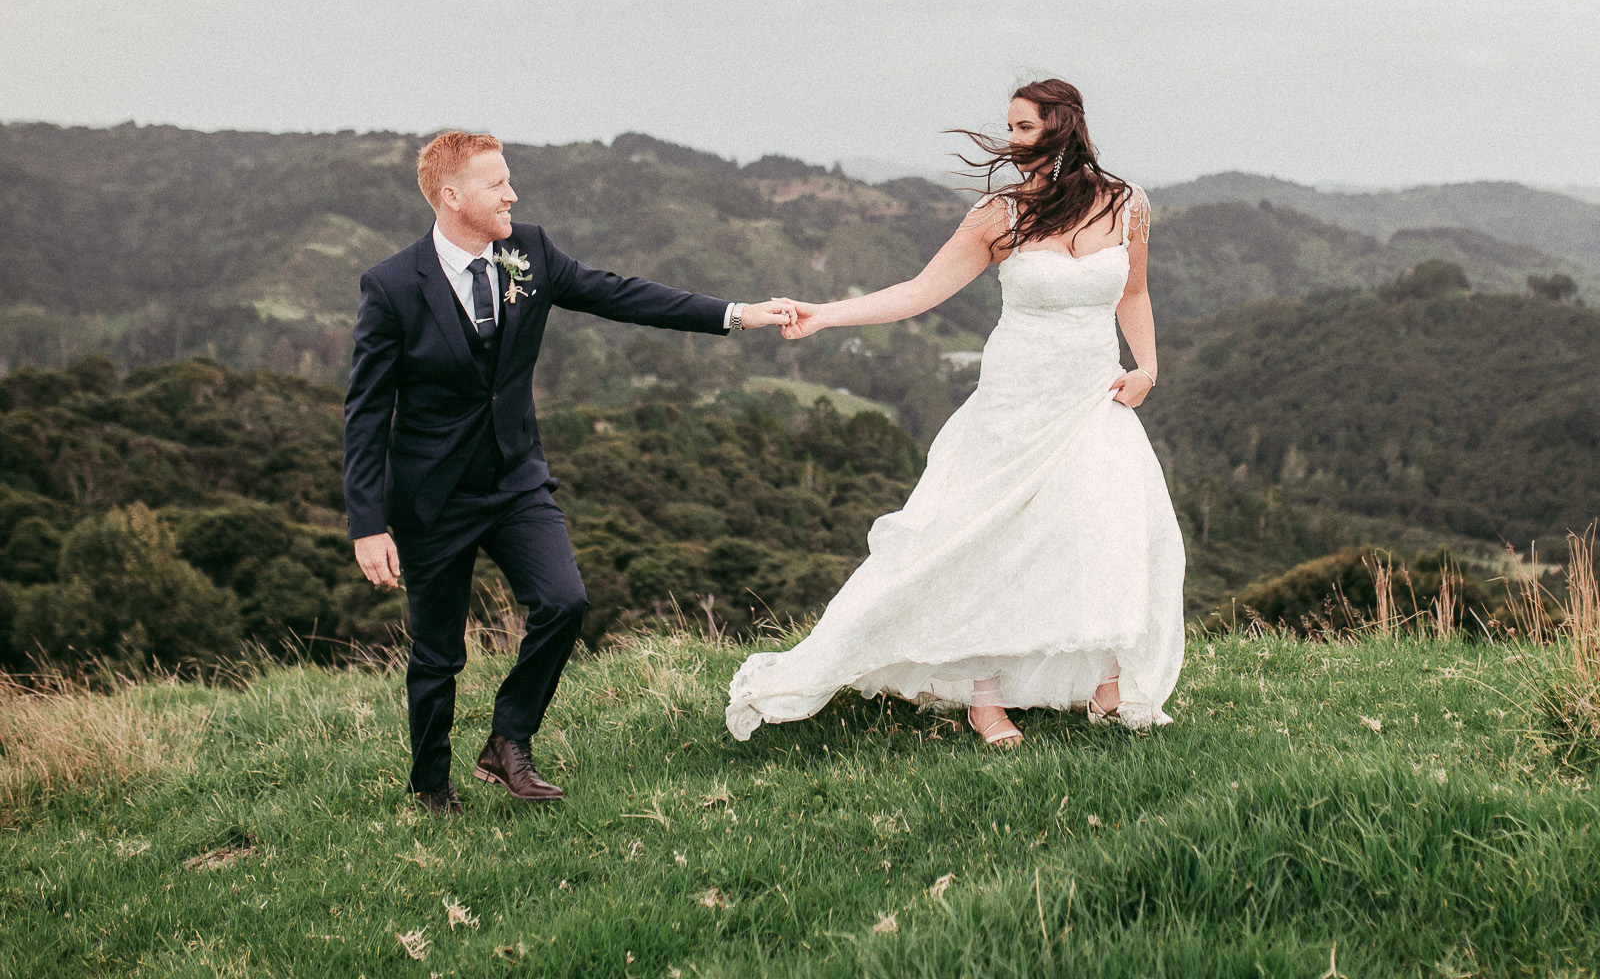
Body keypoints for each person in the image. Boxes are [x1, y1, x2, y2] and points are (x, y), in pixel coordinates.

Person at [344, 130, 795, 815]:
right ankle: (431, 788)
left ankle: (509, 739)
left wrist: (737, 315)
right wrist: (368, 523)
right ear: (452, 196)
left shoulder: (529, 250)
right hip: (432, 497)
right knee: (437, 655)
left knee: (564, 602)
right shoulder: (390, 287)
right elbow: (367, 412)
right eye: (498, 184)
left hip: (516, 480)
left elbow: (620, 294)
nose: (512, 194)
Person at [726, 79, 1186, 748]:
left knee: (1109, 524)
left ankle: (1109, 682)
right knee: (986, 541)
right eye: (1011, 127)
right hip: (1014, 401)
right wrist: (824, 315)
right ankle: (984, 696)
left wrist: (1147, 367)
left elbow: (1134, 291)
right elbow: (918, 292)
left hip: (1093, 396)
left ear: (1063, 126)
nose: (1011, 139)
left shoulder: (1127, 204)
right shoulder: (999, 216)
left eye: (1024, 127)